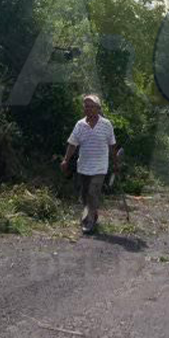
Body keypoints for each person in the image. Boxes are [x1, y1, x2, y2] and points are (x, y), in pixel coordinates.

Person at [60, 94, 120, 234]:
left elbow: (112, 145)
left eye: (92, 106)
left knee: (93, 192)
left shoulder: (106, 124)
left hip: (100, 167)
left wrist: (116, 163)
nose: (89, 109)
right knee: (85, 195)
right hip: (83, 166)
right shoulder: (80, 125)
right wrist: (66, 160)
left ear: (98, 108)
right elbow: (72, 144)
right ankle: (93, 213)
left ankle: (89, 221)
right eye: (86, 106)